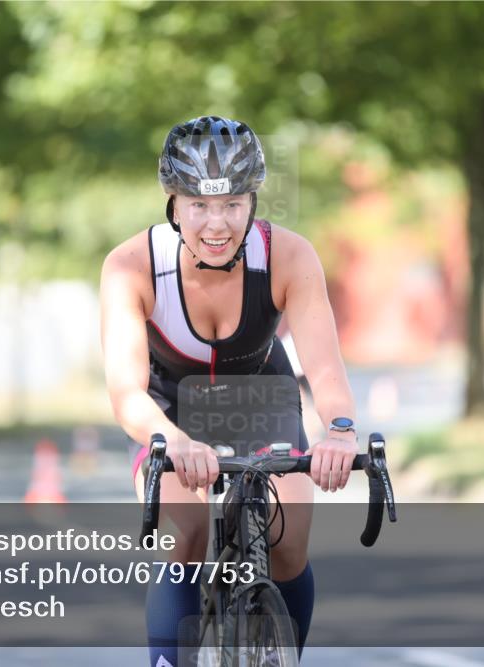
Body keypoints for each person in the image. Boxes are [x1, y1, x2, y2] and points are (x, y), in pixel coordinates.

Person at [99, 116, 359, 666]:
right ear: (173, 205)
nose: (216, 223)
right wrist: (175, 442)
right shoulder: (130, 266)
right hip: (169, 411)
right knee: (186, 536)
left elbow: (325, 370)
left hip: (262, 398)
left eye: (232, 204)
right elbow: (126, 392)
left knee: (287, 547)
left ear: (252, 202)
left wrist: (339, 430)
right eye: (199, 205)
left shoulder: (289, 256)